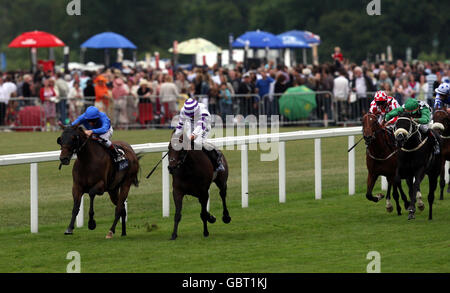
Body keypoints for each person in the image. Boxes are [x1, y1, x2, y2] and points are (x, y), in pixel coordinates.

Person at [173, 98, 225, 172]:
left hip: (204, 126)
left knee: (197, 143)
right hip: (191, 125)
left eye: (192, 115)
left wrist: (193, 136)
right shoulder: (183, 111)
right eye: (190, 115)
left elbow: (200, 126)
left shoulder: (204, 112)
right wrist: (176, 136)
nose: (191, 117)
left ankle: (217, 161)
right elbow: (180, 125)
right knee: (185, 144)